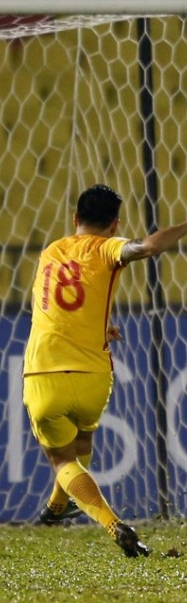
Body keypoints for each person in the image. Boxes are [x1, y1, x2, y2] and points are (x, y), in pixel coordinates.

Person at [24, 183, 187, 558]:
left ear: (75, 218)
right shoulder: (110, 248)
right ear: (115, 225)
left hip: (45, 373)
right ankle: (56, 508)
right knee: (81, 447)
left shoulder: (50, 252)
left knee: (62, 460)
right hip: (95, 376)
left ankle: (113, 524)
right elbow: (145, 248)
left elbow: (51, 306)